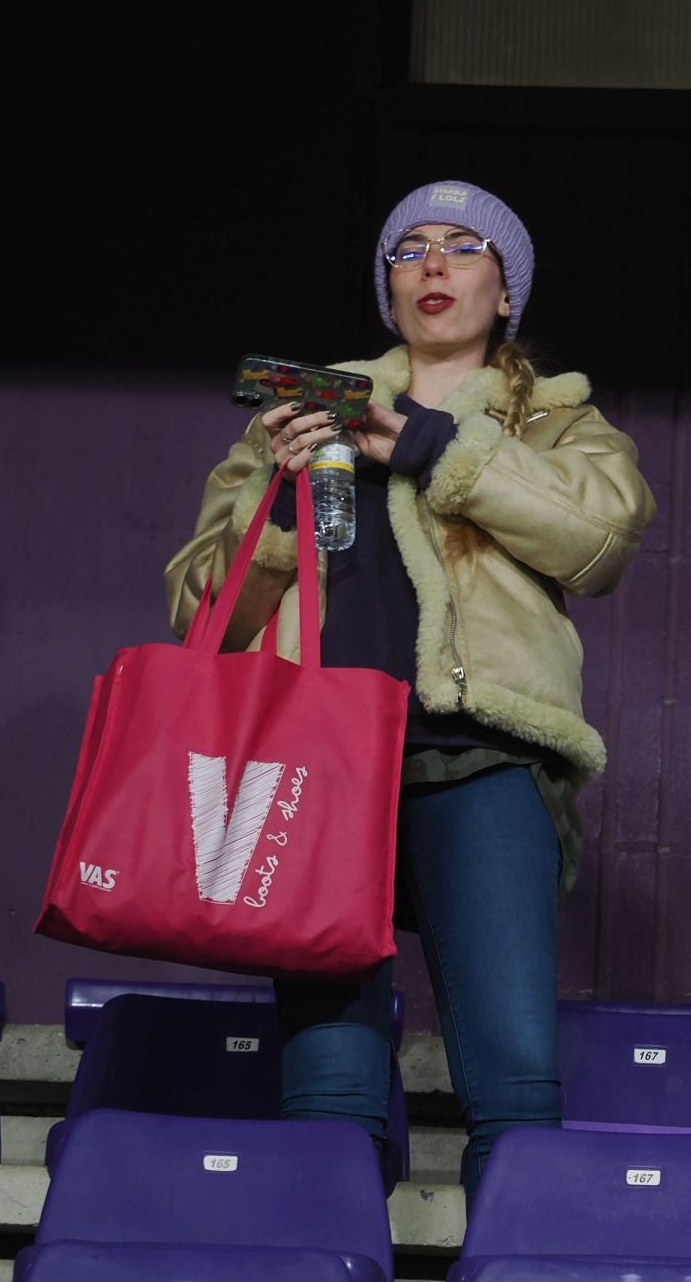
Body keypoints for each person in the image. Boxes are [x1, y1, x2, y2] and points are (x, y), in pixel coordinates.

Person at [166, 179, 657, 1198]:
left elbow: (600, 542)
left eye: (466, 246)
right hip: (317, 764)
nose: (435, 264)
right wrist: (285, 506)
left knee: (514, 1072)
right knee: (329, 1083)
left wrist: (433, 446)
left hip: (479, 753)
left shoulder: (558, 420)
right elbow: (199, 610)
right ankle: (327, 1274)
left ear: (505, 288)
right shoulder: (297, 409)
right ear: (387, 285)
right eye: (410, 248)